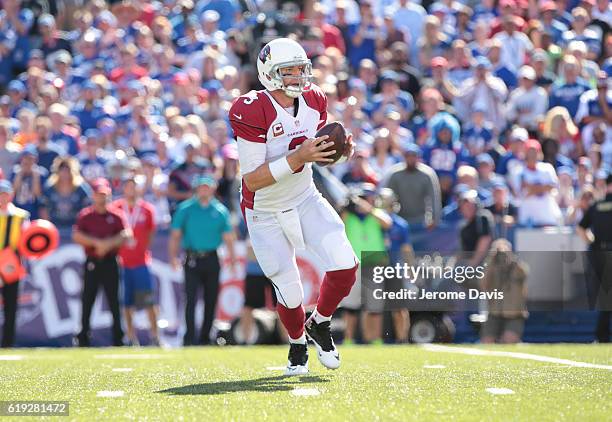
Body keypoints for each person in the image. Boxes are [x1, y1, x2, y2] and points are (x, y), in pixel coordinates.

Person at [229, 38, 357, 375]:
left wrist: (338, 150)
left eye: (302, 69)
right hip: (265, 211)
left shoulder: (314, 99)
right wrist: (299, 156)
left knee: (345, 264)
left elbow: (315, 149)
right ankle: (297, 343)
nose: (299, 77)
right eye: (290, 71)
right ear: (269, 74)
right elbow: (252, 180)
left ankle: (321, 322)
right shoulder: (252, 108)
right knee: (289, 289)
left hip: (304, 198)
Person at [168, 175, 237, 346]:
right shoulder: (186, 209)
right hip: (192, 258)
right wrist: (173, 257)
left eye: (207, 187)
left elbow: (228, 238)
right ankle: (189, 337)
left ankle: (206, 337)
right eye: (201, 187)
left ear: (212, 188)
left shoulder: (220, 210)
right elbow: (175, 235)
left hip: (212, 258)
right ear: (196, 189)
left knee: (211, 299)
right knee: (190, 299)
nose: (204, 190)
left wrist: (233, 259)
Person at [73, 178, 131, 347]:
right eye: (99, 194)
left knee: (114, 300)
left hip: (110, 261)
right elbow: (77, 235)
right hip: (92, 261)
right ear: (93, 195)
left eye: (104, 195)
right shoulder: (86, 215)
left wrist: (108, 244)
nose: (101, 198)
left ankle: (119, 338)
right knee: (88, 299)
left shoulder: (116, 215)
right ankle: (83, 337)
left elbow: (126, 234)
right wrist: (96, 243)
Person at [113, 176, 160, 347]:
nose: (131, 190)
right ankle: (131, 338)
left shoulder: (147, 209)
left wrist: (140, 247)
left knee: (148, 301)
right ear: (123, 188)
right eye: (128, 186)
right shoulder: (116, 207)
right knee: (126, 304)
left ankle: (155, 336)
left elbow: (150, 234)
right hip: (122, 263)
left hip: (141, 262)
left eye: (134, 186)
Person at [577, 172, 612, 343]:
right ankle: (602, 334)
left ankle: (602, 335)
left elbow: (580, 228)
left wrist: (593, 241)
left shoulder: (597, 205)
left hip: (599, 253)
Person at [480, 239, 529, 344]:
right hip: (495, 313)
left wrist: (510, 258)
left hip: (514, 314)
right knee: (487, 342)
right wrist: (491, 260)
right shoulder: (492, 268)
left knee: (509, 340)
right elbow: (483, 285)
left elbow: (524, 273)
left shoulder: (517, 268)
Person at [384, 143, 441, 229]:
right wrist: (388, 217)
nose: (411, 159)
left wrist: (434, 219)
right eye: (408, 156)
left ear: (419, 158)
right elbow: (387, 197)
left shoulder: (427, 175)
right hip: (400, 219)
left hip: (421, 220)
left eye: (414, 156)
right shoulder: (395, 174)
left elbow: (434, 198)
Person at [0, 180, 29, 347]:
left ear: (11, 195)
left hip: (12, 265)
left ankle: (8, 344)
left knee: (11, 306)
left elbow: (28, 241)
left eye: (5, 194)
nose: (2, 198)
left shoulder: (21, 215)